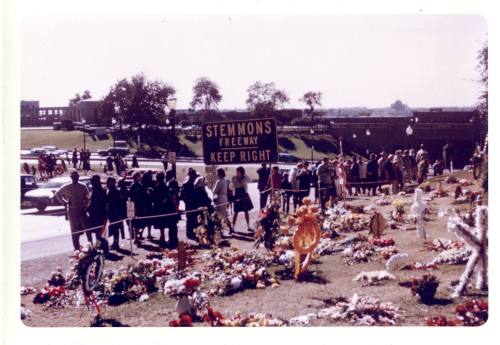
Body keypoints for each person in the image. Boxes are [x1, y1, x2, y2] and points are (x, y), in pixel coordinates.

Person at [54, 170, 91, 250]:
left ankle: (90, 245)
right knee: (74, 230)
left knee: (87, 228)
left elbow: (88, 197)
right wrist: (64, 202)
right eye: (73, 176)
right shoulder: (67, 186)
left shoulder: (83, 186)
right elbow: (57, 194)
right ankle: (76, 247)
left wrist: (86, 205)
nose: (75, 178)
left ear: (78, 177)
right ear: (71, 177)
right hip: (72, 210)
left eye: (76, 176)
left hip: (81, 209)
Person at [231, 166, 254, 232]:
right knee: (236, 212)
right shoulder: (234, 177)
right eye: (236, 171)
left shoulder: (244, 177)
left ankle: (248, 226)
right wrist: (233, 182)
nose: (237, 173)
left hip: (244, 194)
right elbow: (231, 187)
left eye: (238, 171)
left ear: (241, 172)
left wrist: (245, 175)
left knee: (246, 211)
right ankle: (233, 227)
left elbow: (250, 180)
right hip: (237, 195)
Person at [106, 177, 125, 250]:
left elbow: (116, 202)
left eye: (109, 182)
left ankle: (116, 243)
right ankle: (115, 242)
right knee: (114, 229)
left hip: (115, 212)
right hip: (112, 212)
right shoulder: (110, 190)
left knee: (116, 229)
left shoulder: (114, 191)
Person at [87, 175, 108, 245]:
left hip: (99, 214)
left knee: (99, 231)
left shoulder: (99, 191)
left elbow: (100, 203)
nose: (91, 183)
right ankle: (98, 245)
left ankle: (99, 245)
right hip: (95, 213)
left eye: (92, 181)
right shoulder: (95, 190)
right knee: (97, 231)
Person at [212, 168, 233, 234]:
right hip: (225, 198)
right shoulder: (226, 181)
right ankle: (229, 228)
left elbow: (214, 191)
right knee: (224, 215)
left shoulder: (219, 181)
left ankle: (220, 231)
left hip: (220, 198)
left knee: (218, 215)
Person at [129, 171, 148, 243]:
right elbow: (132, 197)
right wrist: (134, 208)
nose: (140, 177)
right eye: (139, 176)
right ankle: (136, 238)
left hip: (141, 205)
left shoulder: (140, 185)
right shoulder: (133, 186)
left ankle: (139, 235)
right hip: (136, 206)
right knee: (136, 223)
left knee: (142, 221)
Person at [180, 169, 199, 240]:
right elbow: (181, 195)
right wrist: (186, 200)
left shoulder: (195, 184)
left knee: (194, 218)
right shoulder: (186, 184)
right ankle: (189, 233)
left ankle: (193, 232)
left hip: (194, 203)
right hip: (189, 203)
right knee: (190, 218)